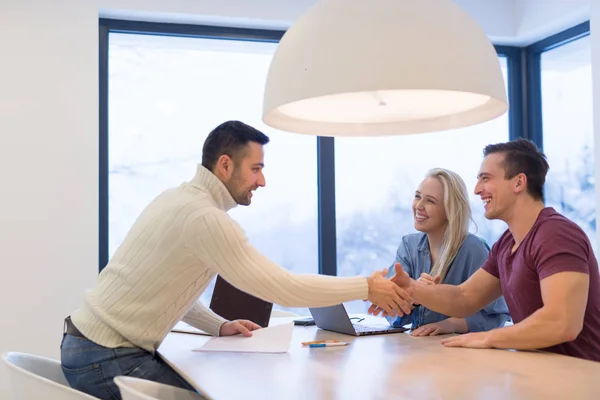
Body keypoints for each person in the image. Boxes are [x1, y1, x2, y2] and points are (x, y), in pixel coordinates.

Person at [61, 120, 412, 399]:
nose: (262, 181)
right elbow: (285, 288)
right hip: (105, 358)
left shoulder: (177, 200)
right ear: (225, 165)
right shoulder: (205, 219)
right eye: (256, 168)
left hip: (88, 346)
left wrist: (218, 325)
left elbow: (168, 288)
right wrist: (366, 286)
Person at [371, 139, 600, 361]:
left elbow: (562, 322)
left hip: (581, 375)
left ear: (519, 183)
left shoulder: (555, 234)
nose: (477, 189)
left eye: (485, 179)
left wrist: (487, 337)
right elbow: (464, 297)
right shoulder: (506, 244)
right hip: (542, 372)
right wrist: (411, 288)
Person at [386, 168, 510, 336]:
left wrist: (451, 324)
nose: (419, 206)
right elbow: (390, 310)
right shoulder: (408, 245)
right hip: (418, 347)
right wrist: (413, 296)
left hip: (459, 353)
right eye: (417, 196)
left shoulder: (474, 249)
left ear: (450, 210)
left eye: (430, 201)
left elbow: (496, 316)